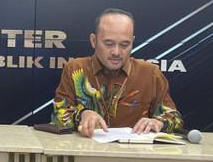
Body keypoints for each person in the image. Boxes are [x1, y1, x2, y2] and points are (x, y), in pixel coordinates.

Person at [51, 8, 183, 137]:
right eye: (109, 44)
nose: (116, 52)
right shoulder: (75, 69)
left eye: (124, 45)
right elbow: (58, 116)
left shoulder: (150, 73)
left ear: (132, 42)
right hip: (86, 152)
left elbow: (175, 119)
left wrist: (159, 122)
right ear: (93, 41)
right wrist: (82, 114)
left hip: (135, 154)